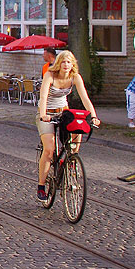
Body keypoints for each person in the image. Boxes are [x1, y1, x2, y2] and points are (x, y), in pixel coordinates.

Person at [36, 51, 100, 202]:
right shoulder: (50, 75)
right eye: (63, 62)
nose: (66, 65)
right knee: (50, 149)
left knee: (76, 136)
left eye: (69, 62)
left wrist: (94, 116)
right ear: (59, 63)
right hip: (47, 113)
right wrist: (43, 114)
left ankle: (69, 161)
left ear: (73, 64)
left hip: (63, 111)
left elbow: (85, 98)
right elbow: (43, 96)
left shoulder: (75, 77)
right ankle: (41, 186)